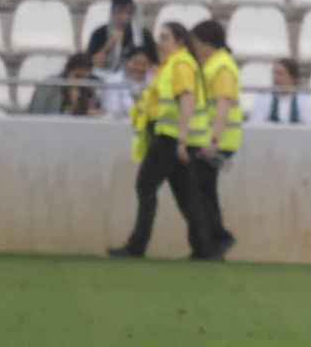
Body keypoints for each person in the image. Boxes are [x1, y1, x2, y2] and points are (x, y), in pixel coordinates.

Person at [109, 22, 217, 261]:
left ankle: (137, 245)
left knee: (145, 186)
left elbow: (187, 99)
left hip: (171, 137)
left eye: (166, 37)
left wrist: (180, 139)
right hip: (178, 137)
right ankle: (204, 247)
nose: (160, 41)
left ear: (179, 41)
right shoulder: (174, 64)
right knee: (186, 193)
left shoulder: (179, 64)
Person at [188, 21, 241, 260]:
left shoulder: (221, 67)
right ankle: (210, 243)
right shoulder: (215, 65)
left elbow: (223, 105)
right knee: (205, 191)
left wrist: (213, 140)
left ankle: (217, 238)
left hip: (219, 140)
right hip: (216, 138)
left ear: (205, 42)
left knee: (200, 190)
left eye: (196, 42)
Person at [87, 0, 157, 74]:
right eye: (119, 12)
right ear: (112, 12)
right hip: (104, 80)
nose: (124, 17)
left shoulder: (144, 35)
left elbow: (155, 66)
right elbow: (92, 66)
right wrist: (109, 45)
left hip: (135, 82)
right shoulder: (99, 33)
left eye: (128, 12)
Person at [26, 52, 98, 116]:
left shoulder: (88, 90)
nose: (82, 82)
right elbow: (37, 113)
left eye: (86, 79)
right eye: (78, 77)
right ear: (68, 71)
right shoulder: (48, 87)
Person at [248, 58, 311, 124]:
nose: (275, 78)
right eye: (274, 73)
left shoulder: (302, 98)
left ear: (292, 77)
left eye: (280, 74)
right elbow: (255, 124)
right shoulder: (265, 97)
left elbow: (307, 126)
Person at [96, 48, 152, 119]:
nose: (139, 67)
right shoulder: (113, 82)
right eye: (136, 63)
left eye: (144, 65)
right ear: (126, 62)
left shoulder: (152, 82)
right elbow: (112, 111)